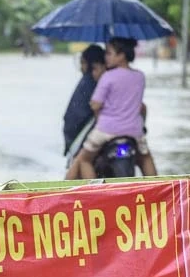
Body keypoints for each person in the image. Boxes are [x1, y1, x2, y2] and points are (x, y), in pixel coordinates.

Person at [67, 37, 157, 180]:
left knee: (83, 159)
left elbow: (96, 104)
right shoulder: (139, 76)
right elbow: (139, 105)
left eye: (109, 53)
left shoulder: (108, 76)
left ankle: (92, 192)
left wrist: (98, 115)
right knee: (145, 157)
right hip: (134, 131)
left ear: (121, 55)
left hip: (107, 130)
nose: (106, 57)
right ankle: (156, 188)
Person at [63, 44, 107, 155]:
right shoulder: (91, 82)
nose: (82, 67)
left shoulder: (94, 81)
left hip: (76, 133)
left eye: (83, 63)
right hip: (80, 134)